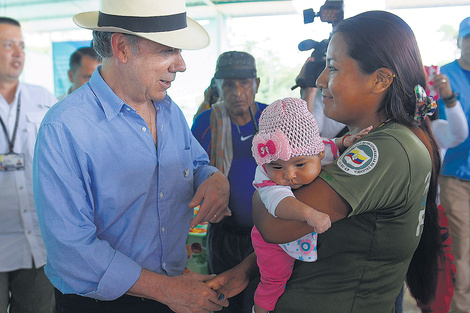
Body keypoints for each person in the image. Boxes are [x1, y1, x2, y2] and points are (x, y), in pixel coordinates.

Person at [207, 10, 443, 313]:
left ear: (380, 80)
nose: (319, 80)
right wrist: (250, 268)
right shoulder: (365, 140)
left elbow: (277, 225)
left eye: (332, 67)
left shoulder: (385, 150)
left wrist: (265, 185)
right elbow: (306, 233)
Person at [32, 1, 231, 312]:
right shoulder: (65, 127)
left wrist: (214, 178)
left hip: (174, 291)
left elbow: (195, 165)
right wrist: (167, 290)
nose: (180, 65)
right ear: (122, 48)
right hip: (104, 303)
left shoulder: (169, 111)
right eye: (168, 50)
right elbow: (70, 250)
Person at [250, 97, 371, 313]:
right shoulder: (265, 175)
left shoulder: (317, 150)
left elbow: (330, 143)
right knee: (274, 279)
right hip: (272, 244)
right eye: (277, 166)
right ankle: (259, 309)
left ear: (320, 155)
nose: (289, 175)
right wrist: (310, 214)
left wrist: (346, 142)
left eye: (299, 165)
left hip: (300, 240)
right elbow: (280, 203)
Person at [191, 50, 268, 313]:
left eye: (244, 83)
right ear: (217, 87)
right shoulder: (204, 123)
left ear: (256, 84)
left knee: (265, 301)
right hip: (223, 235)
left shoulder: (271, 119)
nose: (237, 92)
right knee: (223, 301)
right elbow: (189, 171)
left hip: (268, 234)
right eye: (228, 84)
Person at [0, 16, 57, 313]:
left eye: (21, 45)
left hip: (37, 242)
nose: (18, 53)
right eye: (8, 45)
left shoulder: (43, 99)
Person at [436, 15, 470, 313]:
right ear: (459, 41)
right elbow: (443, 130)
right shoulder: (444, 76)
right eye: (468, 38)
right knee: (464, 247)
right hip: (455, 175)